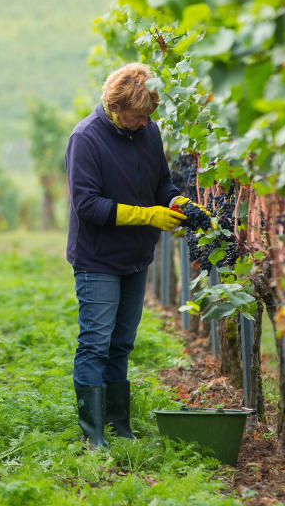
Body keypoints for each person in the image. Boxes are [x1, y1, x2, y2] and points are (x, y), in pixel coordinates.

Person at [64, 62, 210, 447]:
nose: (145, 123)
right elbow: (88, 206)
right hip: (97, 259)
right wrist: (148, 215)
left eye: (149, 117)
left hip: (136, 255)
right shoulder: (86, 138)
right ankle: (93, 435)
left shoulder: (148, 131)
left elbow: (161, 183)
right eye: (137, 116)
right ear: (116, 108)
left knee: (122, 342)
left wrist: (178, 202)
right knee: (96, 341)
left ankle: (118, 424)